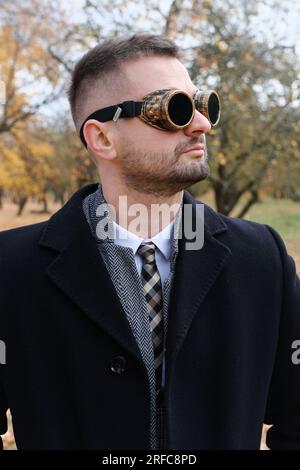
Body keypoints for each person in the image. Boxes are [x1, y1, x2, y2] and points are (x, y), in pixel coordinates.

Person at [0, 33, 299, 451]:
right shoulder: (11, 269)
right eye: (172, 110)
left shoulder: (262, 259)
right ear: (102, 138)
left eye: (203, 104)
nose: (202, 124)